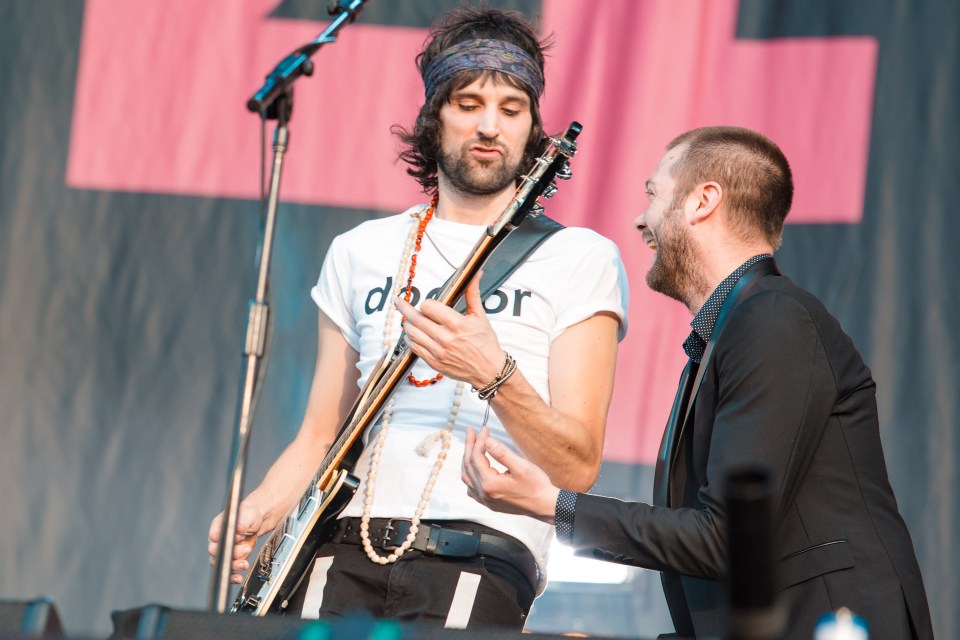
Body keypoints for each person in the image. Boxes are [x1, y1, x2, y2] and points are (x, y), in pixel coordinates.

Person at [208, 6, 628, 630]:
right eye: (467, 103)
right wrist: (262, 507)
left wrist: (494, 374)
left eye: (512, 109)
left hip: (479, 555)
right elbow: (321, 435)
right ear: (434, 117)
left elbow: (578, 463)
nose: (490, 126)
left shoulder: (579, 256)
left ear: (534, 125)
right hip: (338, 551)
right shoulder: (360, 250)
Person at [462, 126, 934, 639]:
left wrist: (550, 504)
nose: (641, 219)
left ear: (702, 201)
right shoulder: (733, 331)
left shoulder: (773, 319)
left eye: (652, 195)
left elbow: (724, 538)